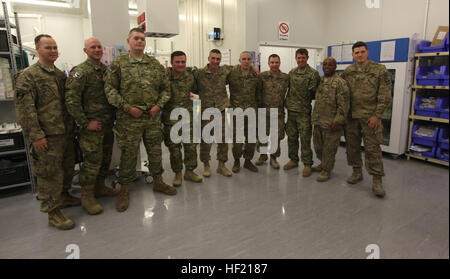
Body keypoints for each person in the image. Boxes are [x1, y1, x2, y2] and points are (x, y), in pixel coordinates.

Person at [104, 28, 177, 213]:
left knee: (155, 152)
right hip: (129, 119)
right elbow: (110, 91)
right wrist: (128, 108)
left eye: (143, 39)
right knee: (129, 155)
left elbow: (166, 90)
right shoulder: (118, 64)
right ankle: (124, 189)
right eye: (136, 38)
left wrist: (158, 106)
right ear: (129, 41)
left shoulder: (154, 65)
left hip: (151, 118)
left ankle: (158, 182)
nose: (140, 41)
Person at [14, 34, 79, 230]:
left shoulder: (60, 75)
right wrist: (36, 136)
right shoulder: (28, 75)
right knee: (49, 174)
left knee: (67, 168)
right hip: (46, 136)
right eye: (48, 47)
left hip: (65, 133)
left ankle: (64, 196)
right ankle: (52, 211)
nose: (53, 51)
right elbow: (25, 110)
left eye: (55, 47)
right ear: (38, 49)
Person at [65, 37, 119, 215]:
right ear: (85, 50)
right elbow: (71, 101)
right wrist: (85, 122)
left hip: (107, 125)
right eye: (93, 47)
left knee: (105, 159)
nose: (97, 49)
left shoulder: (106, 71)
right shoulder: (80, 72)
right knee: (91, 162)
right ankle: (87, 196)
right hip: (91, 128)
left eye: (99, 47)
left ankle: (100, 187)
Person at [341, 41, 392, 198]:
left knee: (372, 149)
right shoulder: (348, 72)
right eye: (356, 52)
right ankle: (357, 172)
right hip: (351, 118)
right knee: (353, 147)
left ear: (367, 52)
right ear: (353, 54)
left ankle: (377, 180)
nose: (359, 55)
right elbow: (342, 94)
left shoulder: (379, 70)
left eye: (362, 52)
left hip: (370, 118)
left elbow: (385, 95)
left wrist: (377, 115)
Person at [162, 51, 203, 186]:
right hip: (170, 119)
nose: (180, 64)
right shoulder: (165, 76)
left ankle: (189, 171)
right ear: (172, 63)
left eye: (183, 62)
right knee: (174, 149)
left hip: (187, 117)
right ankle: (178, 173)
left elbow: (199, 87)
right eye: (177, 62)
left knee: (190, 147)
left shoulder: (190, 77)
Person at [194, 49, 233, 178]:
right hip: (207, 110)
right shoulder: (199, 73)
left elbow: (241, 68)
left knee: (223, 139)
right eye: (213, 58)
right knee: (206, 139)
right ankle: (206, 164)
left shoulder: (225, 70)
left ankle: (221, 165)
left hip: (222, 108)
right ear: (208, 58)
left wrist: (254, 69)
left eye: (218, 59)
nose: (215, 61)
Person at [311, 57, 349, 182]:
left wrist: (337, 121)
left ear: (335, 67)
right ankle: (323, 164)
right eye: (325, 64)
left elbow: (344, 105)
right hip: (318, 120)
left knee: (329, 149)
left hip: (332, 123)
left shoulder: (340, 82)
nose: (327, 66)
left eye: (330, 64)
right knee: (318, 147)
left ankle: (326, 170)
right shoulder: (321, 81)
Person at [284, 48, 320, 177]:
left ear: (307, 58)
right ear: (296, 58)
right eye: (298, 58)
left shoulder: (313, 74)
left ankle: (307, 164)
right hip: (291, 111)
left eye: (303, 58)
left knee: (305, 139)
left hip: (304, 112)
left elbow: (314, 94)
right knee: (292, 138)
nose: (300, 60)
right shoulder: (292, 72)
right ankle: (293, 160)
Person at [227, 51, 260, 173]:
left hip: (251, 111)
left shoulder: (255, 74)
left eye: (248, 59)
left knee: (251, 139)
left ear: (251, 61)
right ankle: (236, 161)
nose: (246, 61)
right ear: (239, 60)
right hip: (237, 111)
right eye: (244, 59)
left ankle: (248, 161)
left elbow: (259, 92)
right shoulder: (231, 72)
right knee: (237, 140)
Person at [255, 54, 289, 169]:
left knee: (276, 136)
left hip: (278, 113)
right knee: (262, 136)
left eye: (276, 62)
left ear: (279, 63)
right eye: (272, 62)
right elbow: (258, 92)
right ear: (268, 63)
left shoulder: (285, 77)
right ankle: (263, 155)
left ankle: (274, 158)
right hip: (264, 111)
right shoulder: (262, 76)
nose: (274, 64)